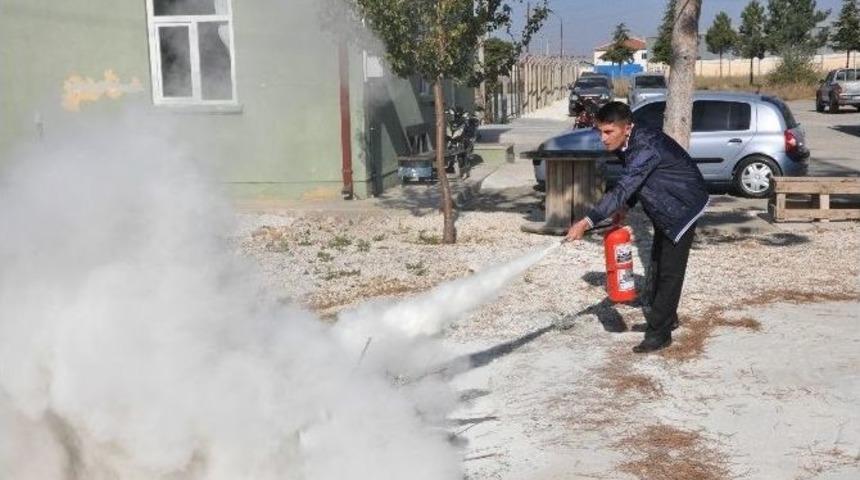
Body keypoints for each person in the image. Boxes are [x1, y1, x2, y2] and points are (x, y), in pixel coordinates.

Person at [566, 101, 708, 353]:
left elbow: (623, 186)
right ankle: (666, 318)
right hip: (664, 200)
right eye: (600, 131)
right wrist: (626, 205)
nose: (603, 138)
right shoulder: (628, 141)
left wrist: (587, 222)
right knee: (657, 261)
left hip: (684, 203)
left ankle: (659, 334)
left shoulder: (645, 147)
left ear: (627, 127)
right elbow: (635, 180)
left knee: (669, 271)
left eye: (608, 132)